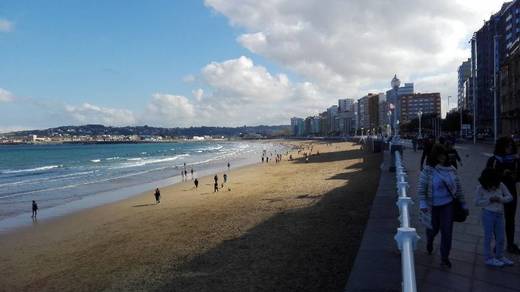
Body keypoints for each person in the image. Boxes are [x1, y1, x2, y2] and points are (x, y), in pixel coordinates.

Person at [418, 144, 467, 268]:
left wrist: (463, 203)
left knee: (447, 231)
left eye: (443, 155)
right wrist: (423, 203)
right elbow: (421, 189)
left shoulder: (451, 169)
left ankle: (445, 257)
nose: (442, 158)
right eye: (439, 155)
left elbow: (458, 188)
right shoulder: (428, 170)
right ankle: (430, 241)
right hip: (432, 206)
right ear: (435, 156)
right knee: (433, 230)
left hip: (448, 205)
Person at [486, 136, 520, 254]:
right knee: (497, 219)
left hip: (511, 193)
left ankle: (510, 244)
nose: (509, 148)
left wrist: (515, 177)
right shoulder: (494, 160)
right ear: (501, 146)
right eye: (507, 146)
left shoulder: (516, 160)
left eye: (511, 145)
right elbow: (486, 177)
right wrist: (501, 174)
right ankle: (498, 243)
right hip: (497, 193)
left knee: (510, 219)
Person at [475, 168, 514, 267]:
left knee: (501, 237)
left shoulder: (500, 185)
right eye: (490, 186)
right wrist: (489, 200)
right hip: (488, 214)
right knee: (488, 237)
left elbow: (510, 197)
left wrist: (501, 199)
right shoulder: (480, 188)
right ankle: (488, 258)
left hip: (499, 215)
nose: (492, 187)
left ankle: (499, 256)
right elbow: (477, 202)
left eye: (494, 185)